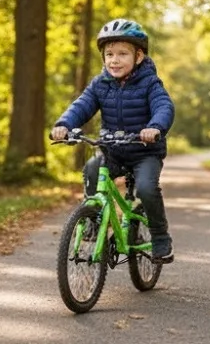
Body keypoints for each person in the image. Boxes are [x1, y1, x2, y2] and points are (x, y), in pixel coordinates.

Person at [51, 18, 176, 261]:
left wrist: (155, 127)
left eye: (122, 54)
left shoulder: (150, 83)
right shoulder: (100, 84)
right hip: (113, 151)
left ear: (138, 57)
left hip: (144, 151)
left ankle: (161, 237)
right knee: (91, 169)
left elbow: (164, 107)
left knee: (147, 189)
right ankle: (94, 219)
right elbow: (82, 106)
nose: (114, 60)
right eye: (109, 54)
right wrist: (64, 124)